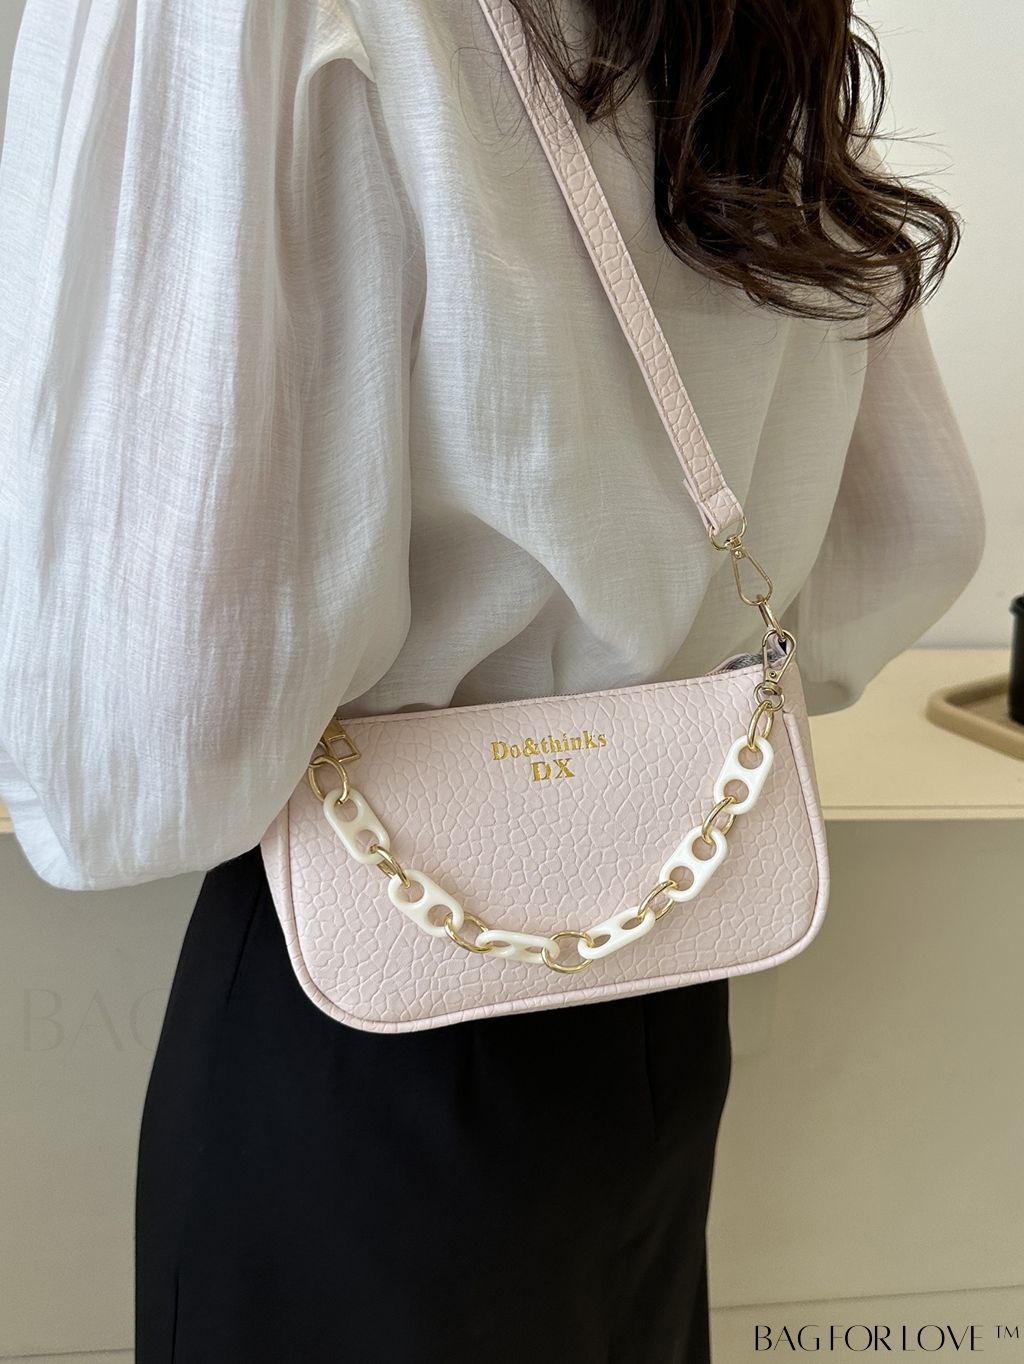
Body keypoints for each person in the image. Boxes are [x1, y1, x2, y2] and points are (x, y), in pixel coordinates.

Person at [0, 0, 985, 1359]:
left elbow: (151, 749)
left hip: (363, 1012)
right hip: (670, 963)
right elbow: (910, 532)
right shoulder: (756, 18)